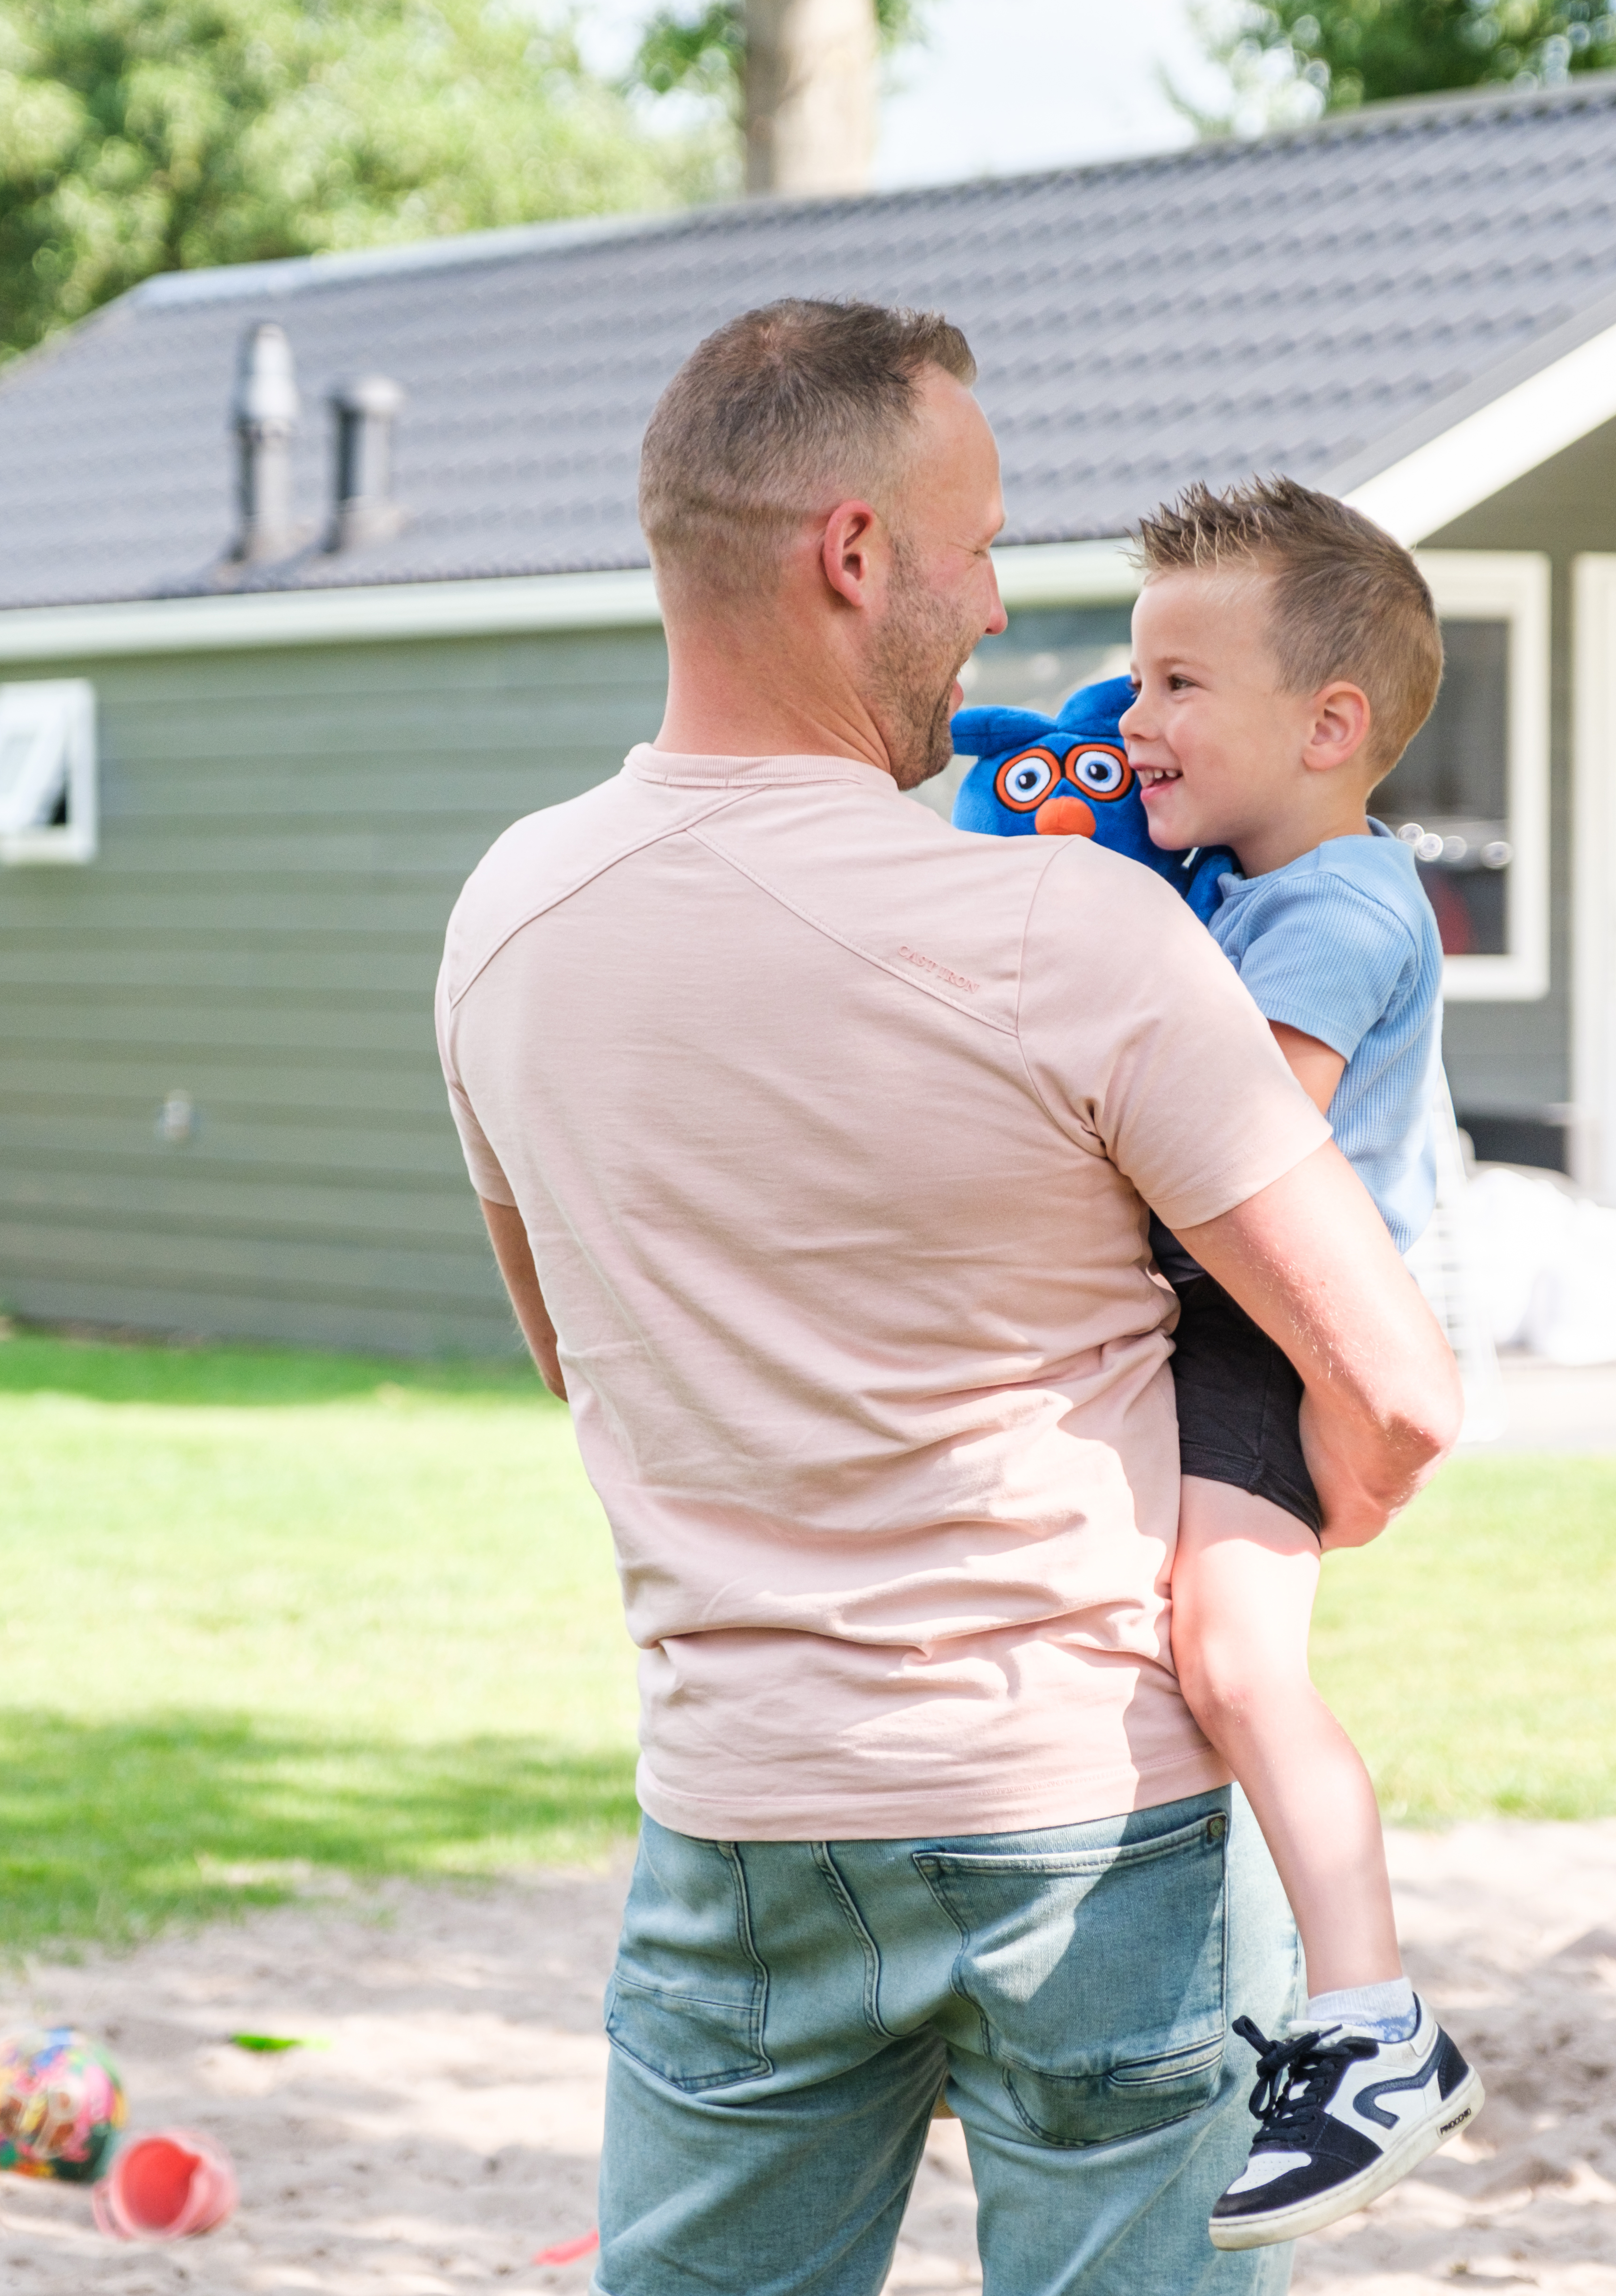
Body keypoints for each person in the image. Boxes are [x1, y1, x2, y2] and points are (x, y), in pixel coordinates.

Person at [434, 300, 1462, 2296]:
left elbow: (579, 1357)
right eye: (976, 546)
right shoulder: (1071, 928)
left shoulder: (506, 922)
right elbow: (1394, 1380)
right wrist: (1298, 1504)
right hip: (1090, 1811)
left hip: (740, 1805)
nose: (999, 611)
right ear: (849, 555)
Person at [1117, 478, 1488, 2248]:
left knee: (1238, 1657)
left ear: (1331, 725)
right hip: (1230, 1328)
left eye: (1183, 685)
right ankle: (1329, 2003)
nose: (1135, 718)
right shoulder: (1248, 877)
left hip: (1266, 1336)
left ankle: (1372, 2025)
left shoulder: (1338, 903)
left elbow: (1235, 1148)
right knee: (1213, 1652)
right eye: (1136, 679)